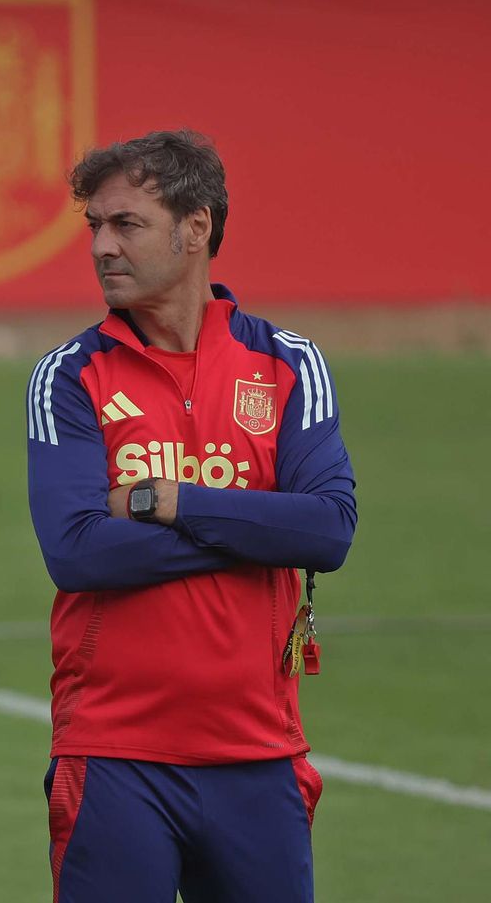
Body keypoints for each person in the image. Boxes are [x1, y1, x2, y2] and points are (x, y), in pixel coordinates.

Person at [25, 130, 357, 902]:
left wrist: (171, 501)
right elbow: (77, 551)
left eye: (127, 224)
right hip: (113, 754)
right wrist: (262, 529)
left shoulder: (286, 363)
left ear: (196, 227)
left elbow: (330, 531)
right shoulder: (69, 377)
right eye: (94, 227)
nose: (103, 246)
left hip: (259, 755)